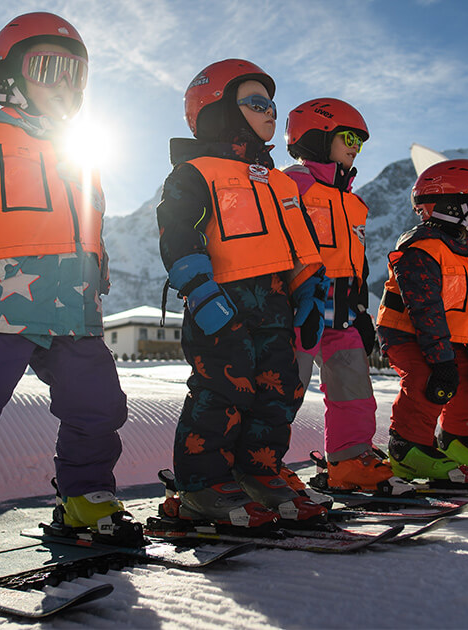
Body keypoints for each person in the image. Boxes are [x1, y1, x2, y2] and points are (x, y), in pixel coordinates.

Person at [0, 12, 140, 591]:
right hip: (0, 311)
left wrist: (96, 281)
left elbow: (88, 232)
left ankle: (85, 501)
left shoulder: (83, 155)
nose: (67, 84)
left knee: (99, 406)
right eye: (49, 68)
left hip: (74, 316)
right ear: (11, 78)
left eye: (77, 73)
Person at [156, 59, 329, 529]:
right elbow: (177, 234)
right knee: (223, 390)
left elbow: (300, 245)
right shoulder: (195, 172)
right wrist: (200, 291)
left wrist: (311, 295)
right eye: (256, 103)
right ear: (219, 112)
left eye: (272, 103)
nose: (271, 111)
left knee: (279, 389)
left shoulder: (277, 180)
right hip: (222, 303)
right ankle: (201, 485)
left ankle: (259, 472)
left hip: (275, 303)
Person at [282, 98, 412, 495]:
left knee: (354, 390)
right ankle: (261, 463)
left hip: (342, 310)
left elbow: (358, 263)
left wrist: (360, 310)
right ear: (318, 137)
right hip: (298, 308)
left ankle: (350, 460)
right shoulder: (291, 184)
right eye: (349, 137)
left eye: (360, 141)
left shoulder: (354, 202)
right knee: (282, 390)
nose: (357, 146)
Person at [377, 159, 468, 483]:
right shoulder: (422, 248)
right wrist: (442, 362)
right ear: (453, 207)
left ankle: (458, 439)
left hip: (447, 338)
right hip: (407, 334)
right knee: (429, 378)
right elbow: (425, 311)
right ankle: (407, 448)